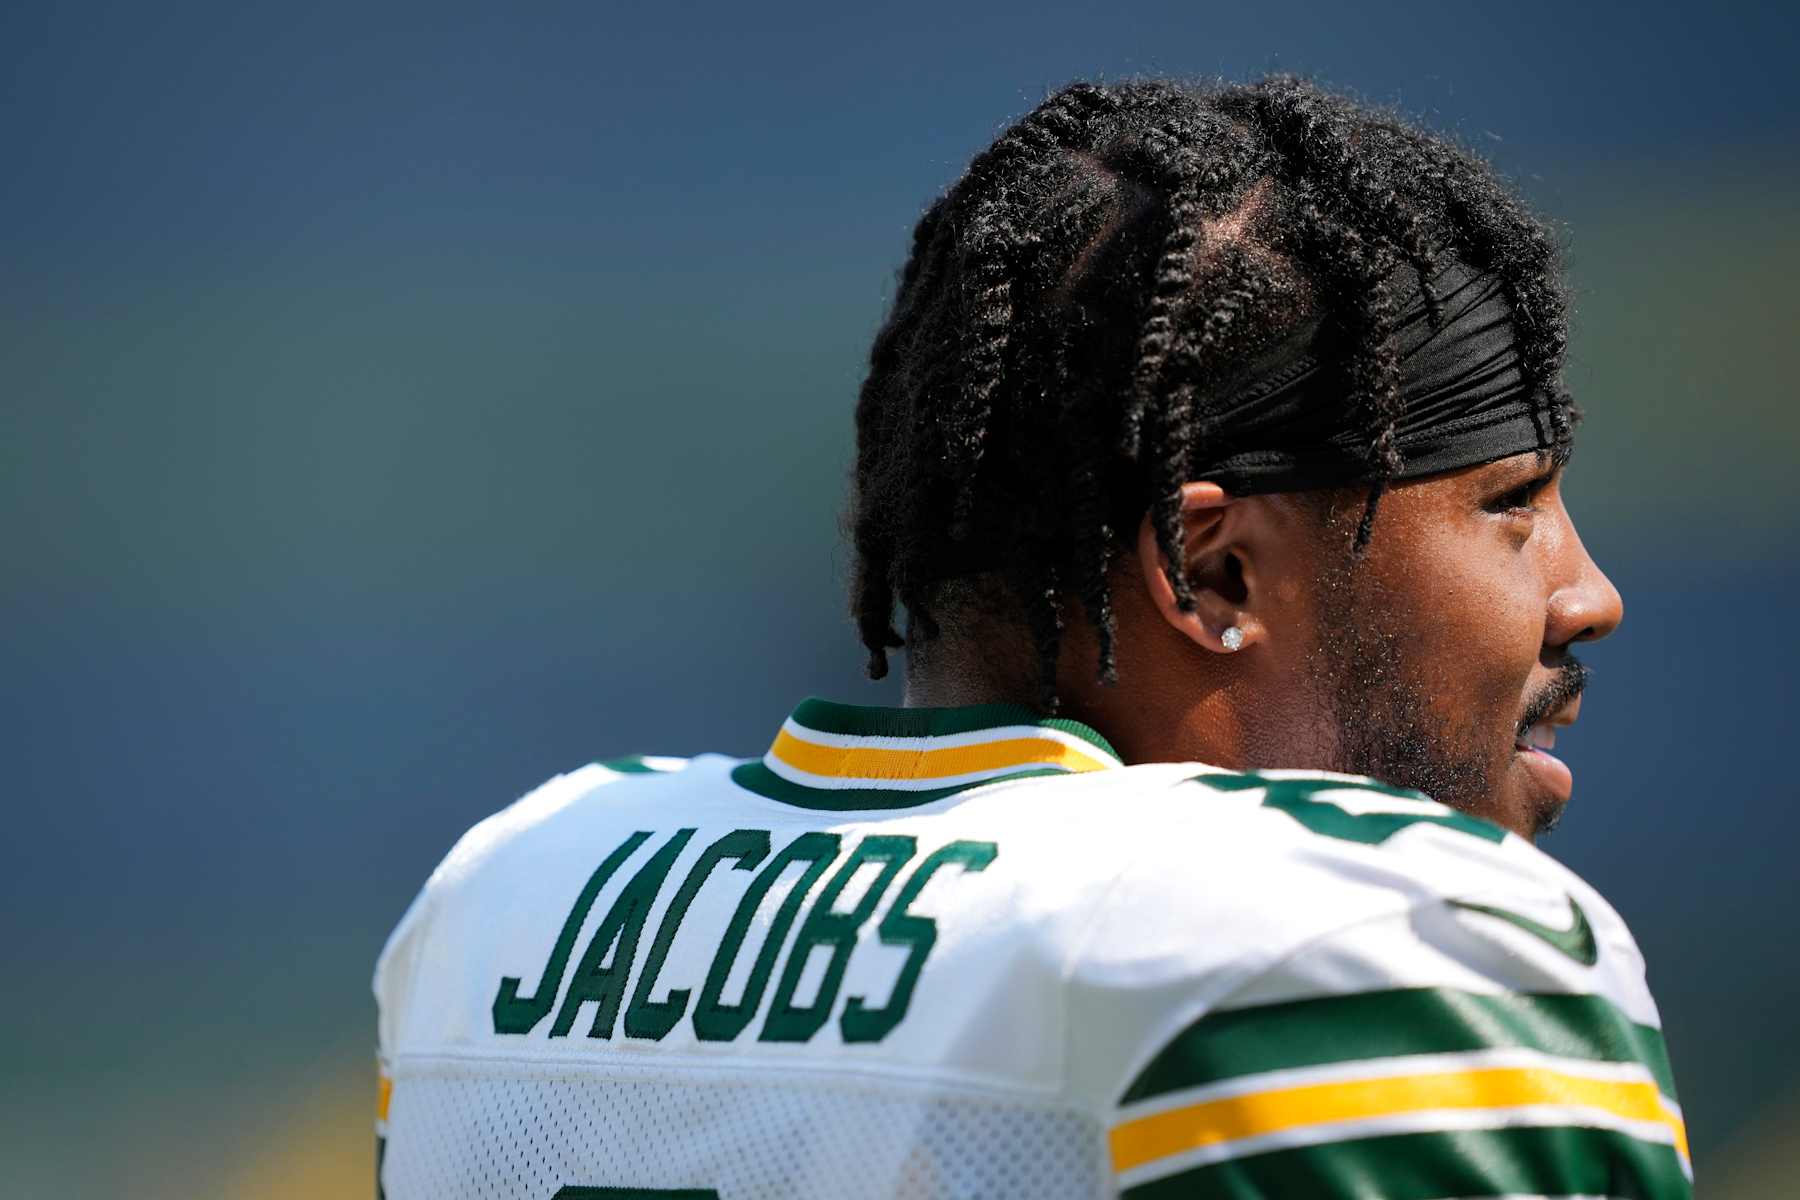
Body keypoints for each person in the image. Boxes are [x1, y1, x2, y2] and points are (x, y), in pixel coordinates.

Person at [374, 76, 1688, 1198]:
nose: (1589, 592)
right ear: (1211, 568)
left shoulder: (517, 901)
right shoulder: (1360, 938)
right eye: (1513, 507)